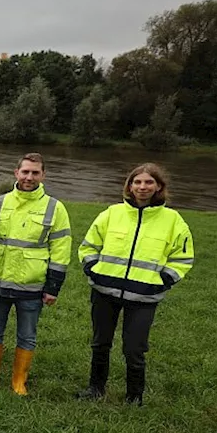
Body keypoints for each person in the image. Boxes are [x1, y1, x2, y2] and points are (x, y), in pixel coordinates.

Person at [76, 163, 194, 406]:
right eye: (137, 182)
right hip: (104, 292)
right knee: (100, 343)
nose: (142, 187)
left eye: (149, 182)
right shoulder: (112, 213)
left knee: (134, 349)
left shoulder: (173, 220)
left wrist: (162, 282)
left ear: (159, 186)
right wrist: (94, 271)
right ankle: (96, 388)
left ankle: (134, 396)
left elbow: (183, 258)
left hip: (144, 297)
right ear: (129, 185)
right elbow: (88, 246)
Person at [0, 153, 72, 395]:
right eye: (25, 172)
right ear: (16, 173)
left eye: (35, 173)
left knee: (27, 336)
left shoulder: (55, 208)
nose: (29, 177)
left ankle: (19, 381)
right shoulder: (0, 203)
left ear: (43, 175)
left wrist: (53, 287)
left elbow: (61, 250)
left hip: (32, 286)